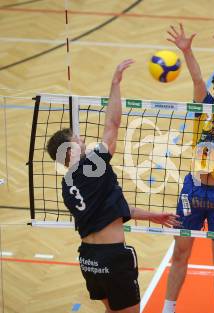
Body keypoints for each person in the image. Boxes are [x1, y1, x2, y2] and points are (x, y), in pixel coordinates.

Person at [46, 59, 180, 313]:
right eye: (77, 139)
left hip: (89, 260)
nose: (83, 139)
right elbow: (112, 126)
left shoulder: (67, 185)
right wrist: (115, 83)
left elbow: (112, 211)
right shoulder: (91, 167)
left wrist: (152, 216)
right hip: (112, 258)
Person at [162, 24, 214, 313]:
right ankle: (168, 308)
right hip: (194, 189)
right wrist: (186, 50)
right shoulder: (203, 106)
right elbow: (197, 78)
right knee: (180, 253)